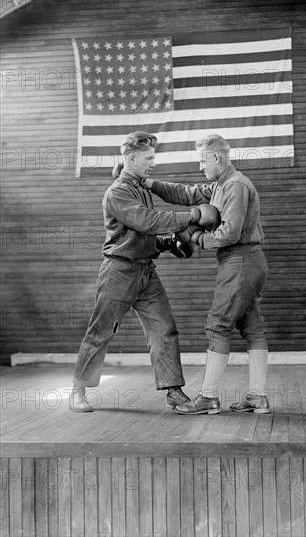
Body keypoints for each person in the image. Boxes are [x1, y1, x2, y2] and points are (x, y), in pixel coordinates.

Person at [70, 131, 218, 412]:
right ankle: (78, 389)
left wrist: (168, 243)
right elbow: (148, 221)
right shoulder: (117, 192)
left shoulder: (140, 189)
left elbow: (141, 233)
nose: (152, 163)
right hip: (119, 272)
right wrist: (194, 215)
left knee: (164, 330)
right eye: (149, 158)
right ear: (133, 158)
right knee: (101, 331)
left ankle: (174, 391)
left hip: (146, 272)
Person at [144, 134, 270, 415]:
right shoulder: (220, 185)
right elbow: (184, 194)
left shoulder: (235, 185)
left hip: (240, 260)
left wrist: (195, 237)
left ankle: (208, 397)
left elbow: (230, 233)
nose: (201, 166)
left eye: (203, 161)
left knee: (217, 326)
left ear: (215, 158)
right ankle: (257, 396)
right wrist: (148, 183)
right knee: (252, 328)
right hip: (246, 262)